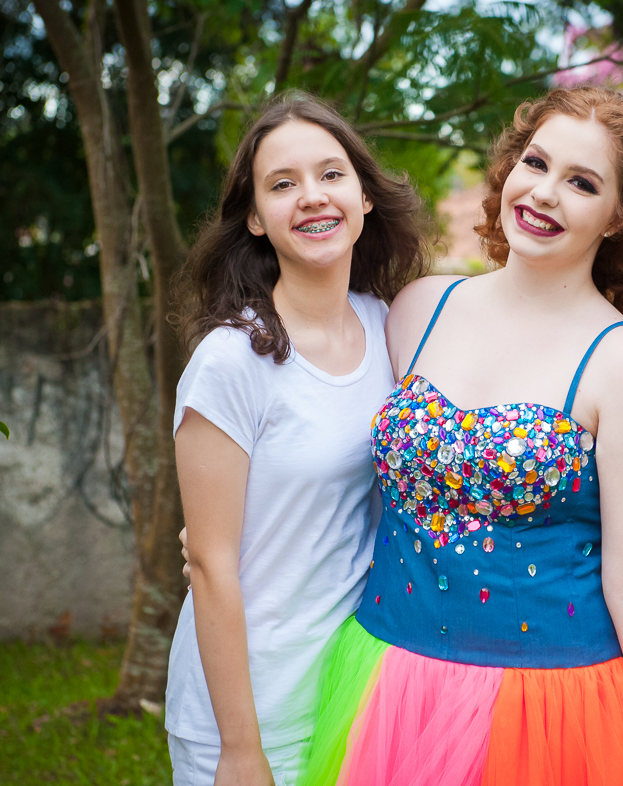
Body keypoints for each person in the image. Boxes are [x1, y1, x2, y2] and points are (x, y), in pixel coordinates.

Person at [296, 86, 623, 786]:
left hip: (546, 713)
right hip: (386, 688)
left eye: (581, 182)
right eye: (536, 163)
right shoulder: (418, 310)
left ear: (618, 215)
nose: (544, 193)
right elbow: (339, 459)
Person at [166, 94, 429, 786]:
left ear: (365, 196)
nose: (312, 197)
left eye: (331, 174)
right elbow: (212, 567)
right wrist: (240, 750)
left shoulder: (395, 331)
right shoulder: (231, 362)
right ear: (255, 217)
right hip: (250, 711)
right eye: (282, 184)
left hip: (358, 690)